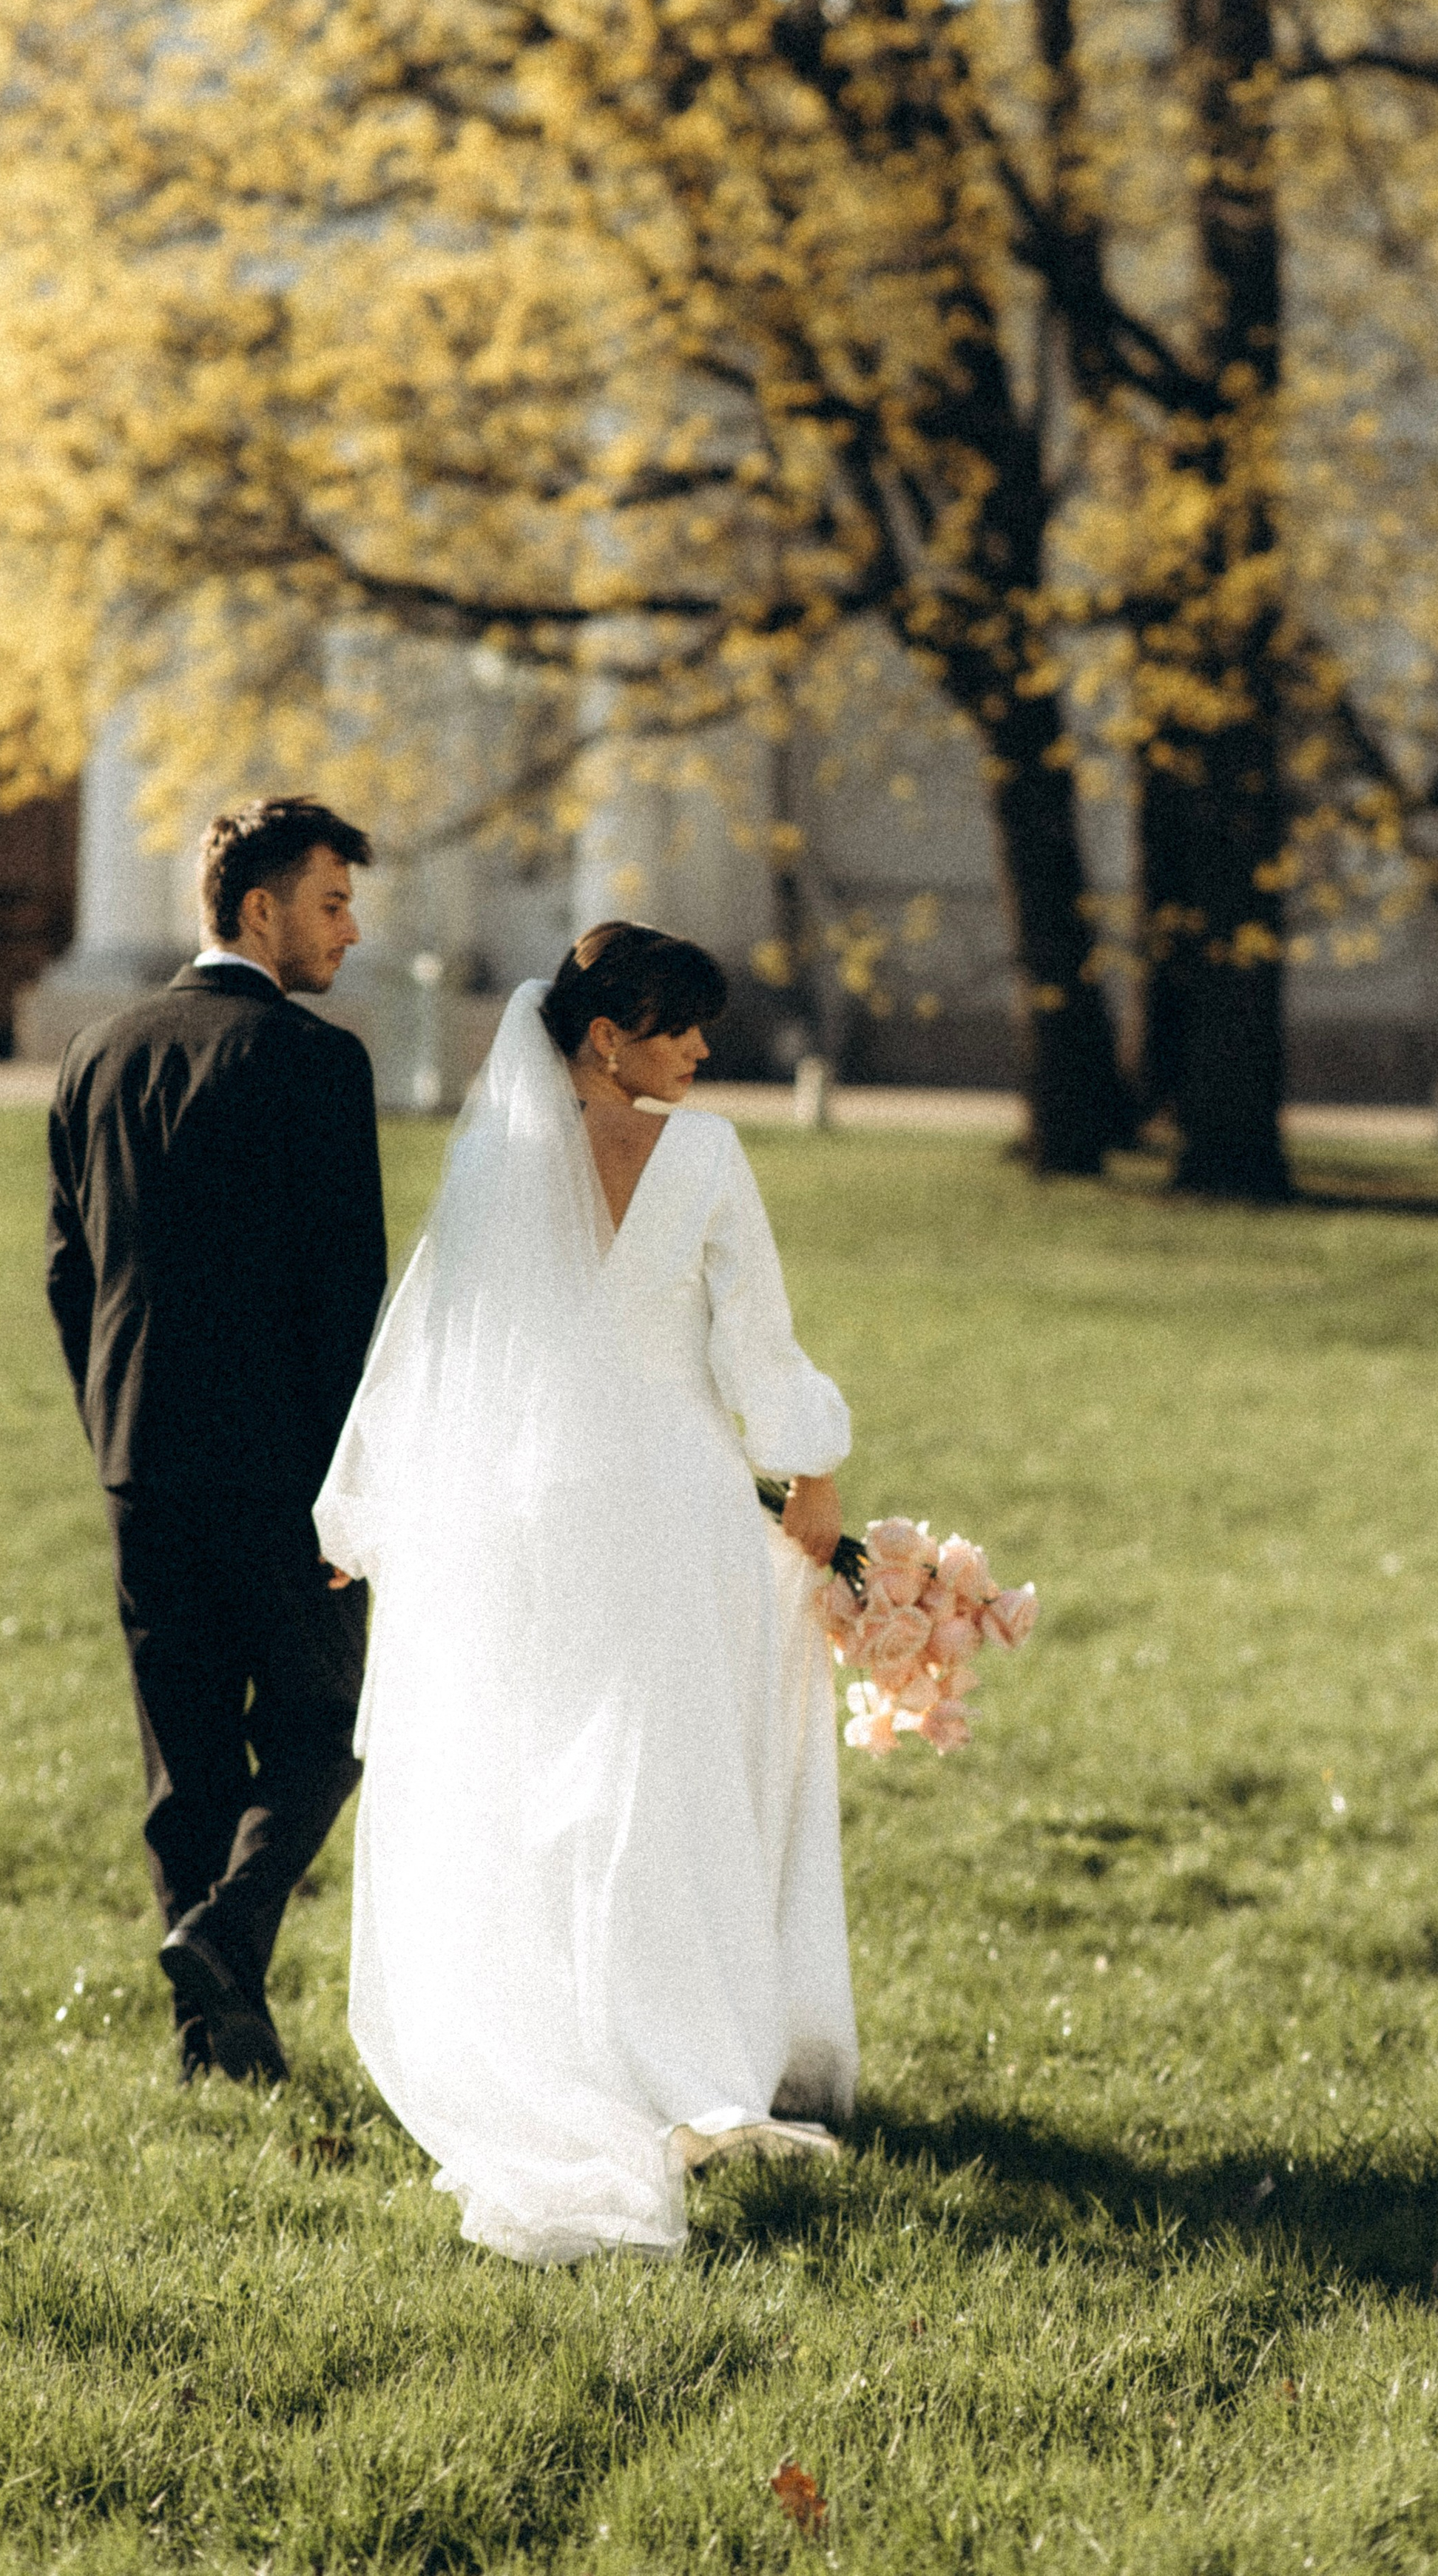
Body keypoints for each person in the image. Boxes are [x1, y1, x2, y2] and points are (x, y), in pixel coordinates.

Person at [316, 923, 857, 2262]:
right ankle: (679, 2046)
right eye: (681, 1026)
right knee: (667, 1770)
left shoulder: (496, 1156)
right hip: (667, 1500)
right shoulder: (709, 1156)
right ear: (609, 1037)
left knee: (537, 1769)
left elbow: (431, 1341)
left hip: (527, 1507)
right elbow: (759, 1339)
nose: (702, 1049)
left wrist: (369, 1509)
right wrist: (812, 1476)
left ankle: (570, 2038)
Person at [47, 796, 386, 2086]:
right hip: (286, 1470)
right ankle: (230, 1925)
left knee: (185, 1763)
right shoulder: (317, 1063)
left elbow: (67, 1274)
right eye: (332, 904)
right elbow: (343, 1295)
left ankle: (216, 2046)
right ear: (261, 909)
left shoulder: (96, 1051)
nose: (350, 933)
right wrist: (356, 1491)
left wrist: (114, 1427)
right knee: (322, 1727)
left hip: (139, 1457)